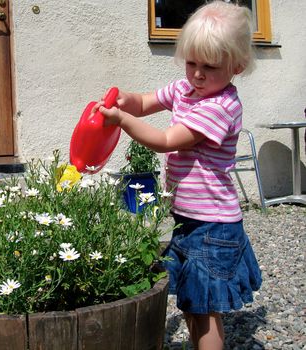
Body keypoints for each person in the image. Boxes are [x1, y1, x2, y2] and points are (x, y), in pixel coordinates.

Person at [93, 1, 262, 349]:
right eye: (191, 63)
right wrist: (126, 100)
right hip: (188, 218)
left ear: (237, 66)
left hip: (213, 227)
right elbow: (144, 101)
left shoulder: (220, 107)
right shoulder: (187, 91)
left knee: (206, 311)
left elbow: (166, 140)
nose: (198, 74)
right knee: (189, 299)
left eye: (210, 66)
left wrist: (122, 121)